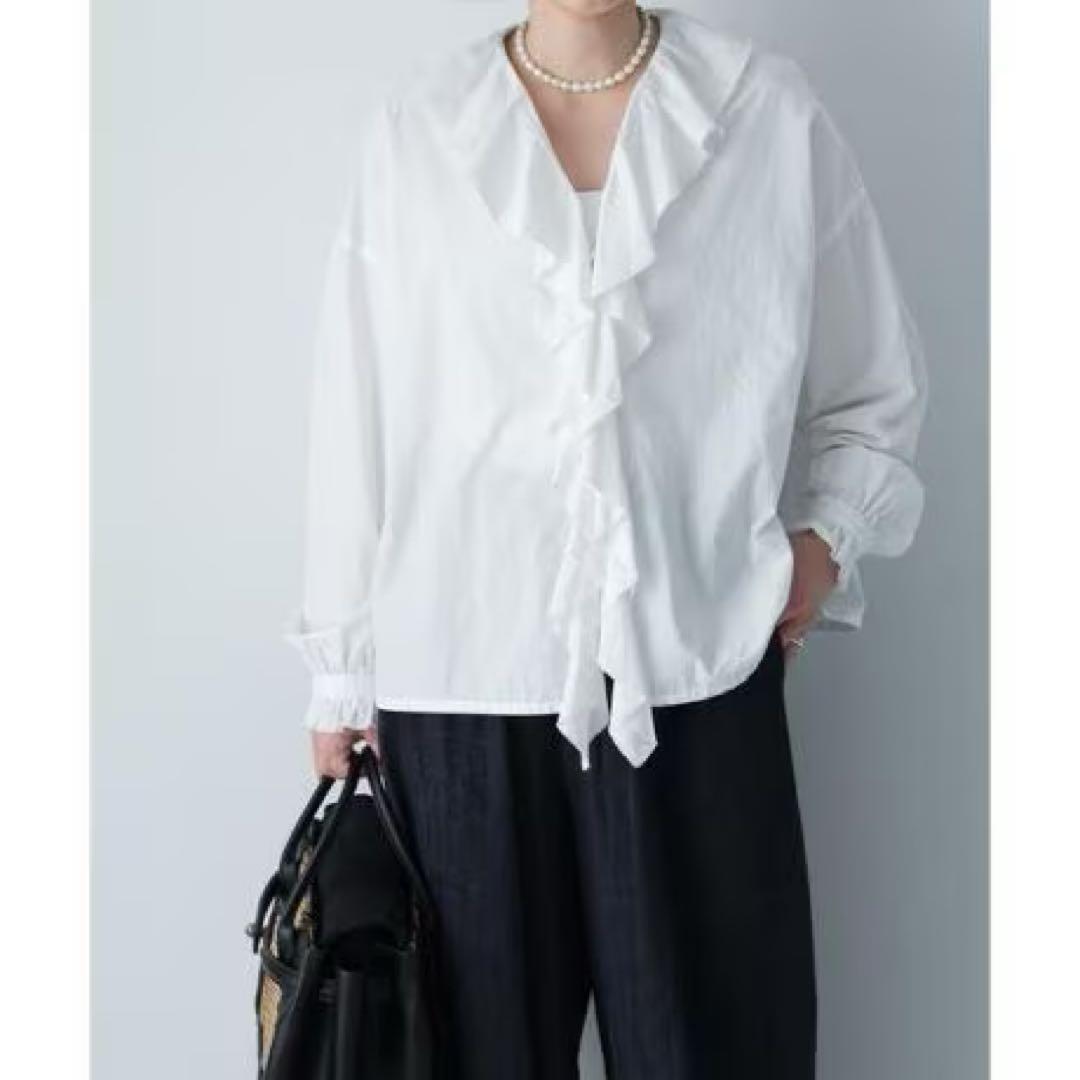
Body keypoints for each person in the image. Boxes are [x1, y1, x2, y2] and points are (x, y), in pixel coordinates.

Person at [283, 3, 928, 1077]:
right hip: (462, 687)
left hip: (696, 680)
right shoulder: (418, 128)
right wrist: (340, 673)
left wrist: (821, 549)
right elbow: (356, 417)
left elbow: (874, 384)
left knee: (715, 1056)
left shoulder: (766, 115)